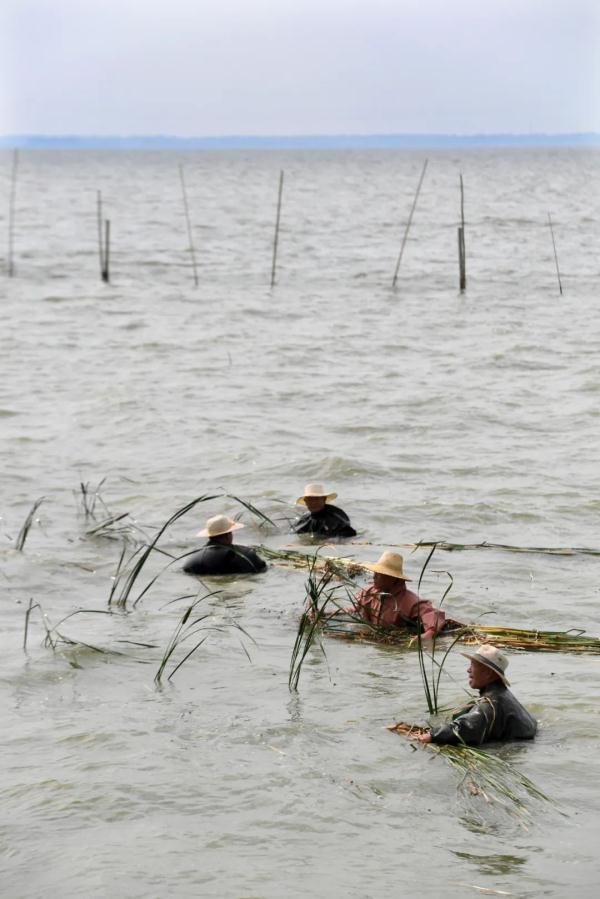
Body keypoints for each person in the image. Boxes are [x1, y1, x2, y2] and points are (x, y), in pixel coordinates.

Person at [413, 644, 537, 746]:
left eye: (472, 665)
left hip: (514, 746)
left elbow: (466, 727)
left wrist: (432, 735)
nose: (468, 670)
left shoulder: (489, 704)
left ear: (488, 673)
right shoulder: (503, 694)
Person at [346, 551, 446, 638]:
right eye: (375, 573)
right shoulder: (368, 593)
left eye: (379, 574)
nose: (374, 577)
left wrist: (428, 634)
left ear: (392, 578)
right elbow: (356, 609)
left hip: (393, 638)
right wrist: (336, 612)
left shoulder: (410, 601)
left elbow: (432, 615)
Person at [183, 515, 267, 576]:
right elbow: (262, 569)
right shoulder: (247, 555)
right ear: (228, 535)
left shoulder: (193, 559)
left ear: (209, 535)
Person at [292, 483, 357, 538]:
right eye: (310, 499)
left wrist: (331, 541)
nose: (313, 503)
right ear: (305, 502)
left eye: (316, 499)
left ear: (324, 499)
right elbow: (295, 532)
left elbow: (351, 533)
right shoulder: (306, 517)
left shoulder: (334, 515)